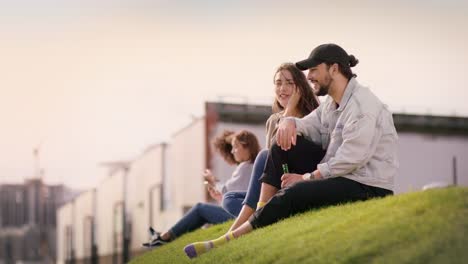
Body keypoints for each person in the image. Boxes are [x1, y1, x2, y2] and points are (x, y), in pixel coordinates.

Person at [184, 43, 399, 258]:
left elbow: (351, 160)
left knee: (296, 191)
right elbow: (309, 124)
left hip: (365, 185)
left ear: (333, 69)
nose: (309, 76)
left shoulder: (362, 106)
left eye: (314, 70)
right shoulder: (331, 104)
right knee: (280, 143)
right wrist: (289, 123)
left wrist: (306, 178)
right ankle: (262, 209)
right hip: (339, 174)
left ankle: (233, 237)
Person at [228, 62, 321, 232]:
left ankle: (238, 227)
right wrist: (287, 113)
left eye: (289, 83)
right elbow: (272, 165)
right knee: (229, 198)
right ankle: (259, 212)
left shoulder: (312, 116)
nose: (282, 88)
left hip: (302, 180)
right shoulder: (273, 120)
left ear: (300, 88)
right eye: (278, 83)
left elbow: (275, 151)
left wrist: (291, 110)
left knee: (263, 154)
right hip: (276, 183)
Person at [143, 129, 260, 247]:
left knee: (200, 208)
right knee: (202, 211)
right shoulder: (250, 166)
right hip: (242, 212)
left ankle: (165, 237)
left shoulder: (247, 167)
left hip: (240, 215)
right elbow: (237, 195)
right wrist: (219, 194)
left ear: (247, 146)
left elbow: (227, 191)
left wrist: (212, 179)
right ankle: (164, 236)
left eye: (235, 147)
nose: (232, 151)